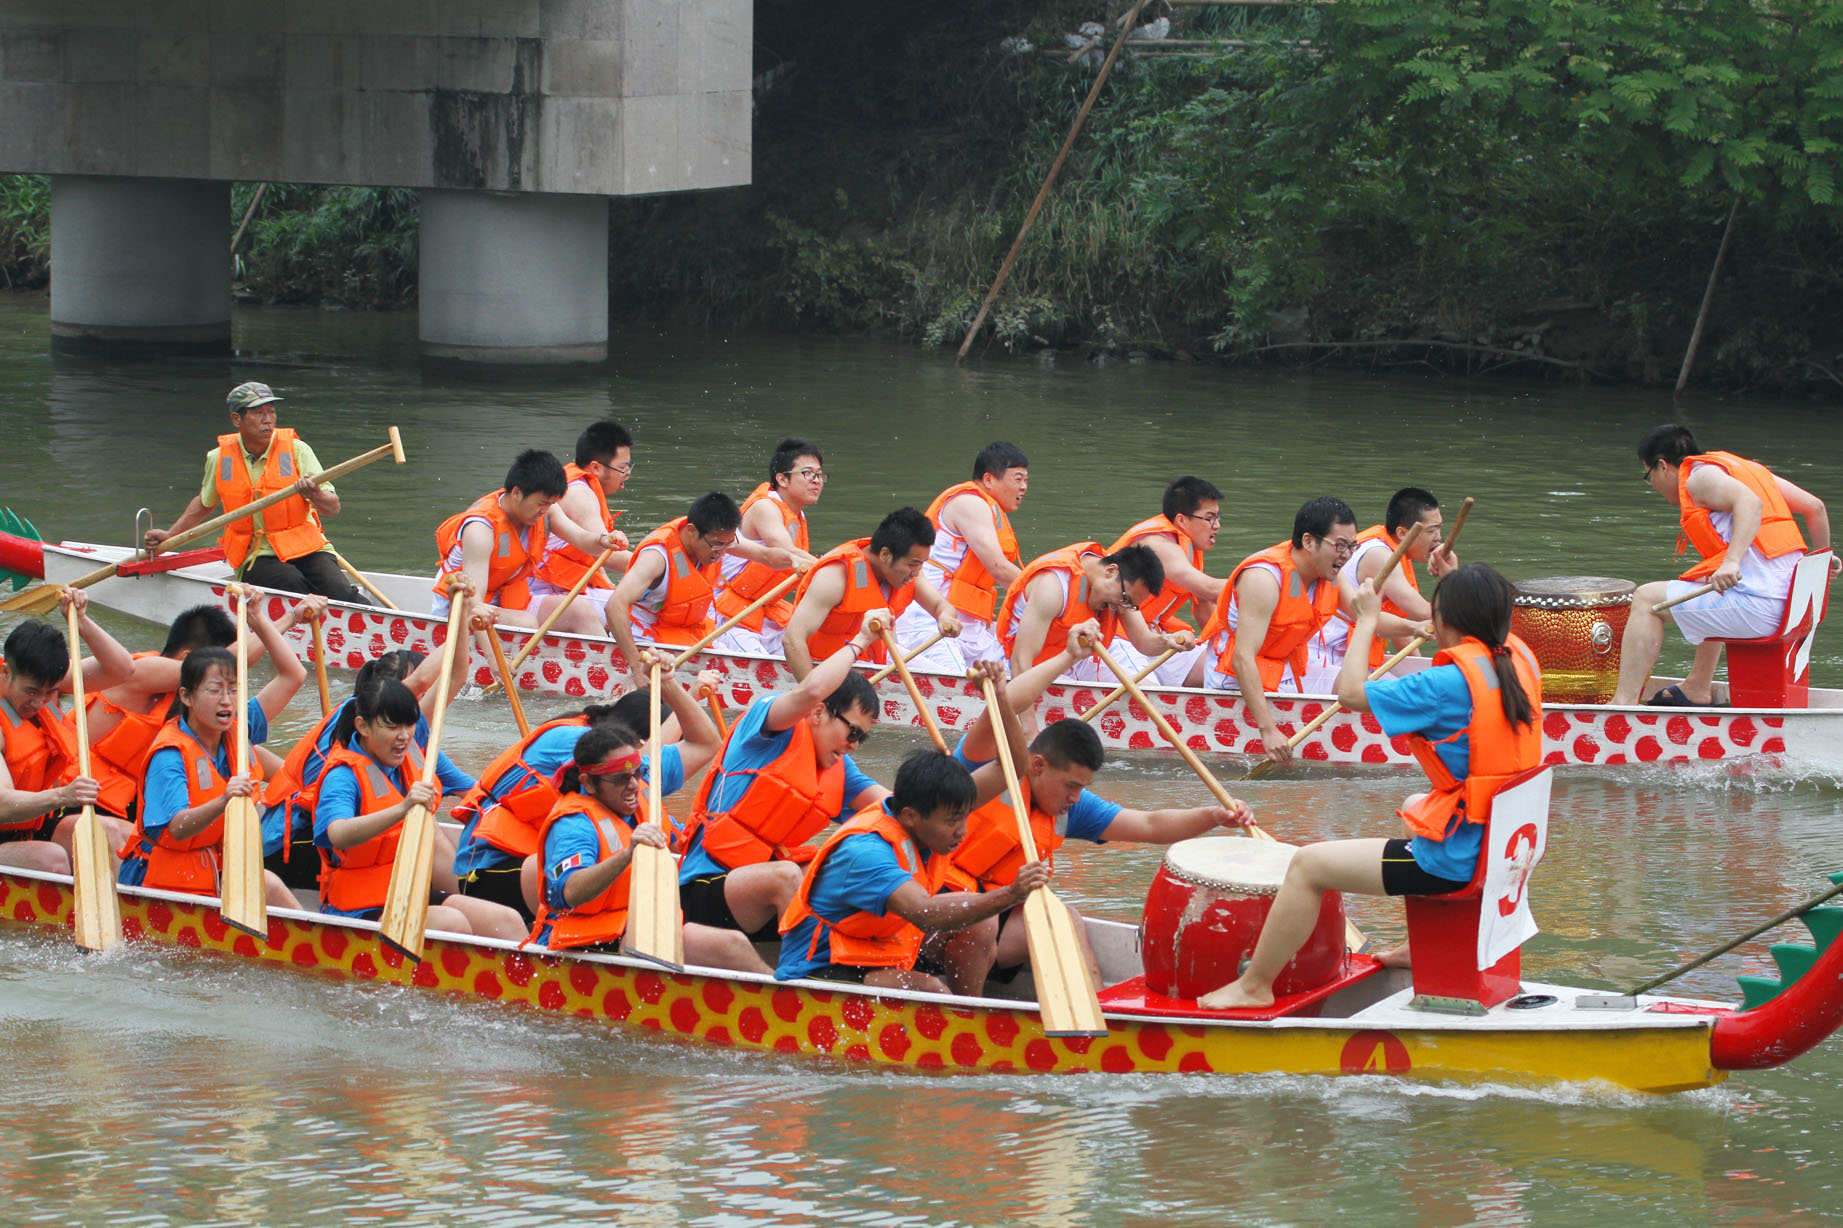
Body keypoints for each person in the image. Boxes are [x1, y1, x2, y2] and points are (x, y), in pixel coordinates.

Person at [1200, 564, 1542, 1010]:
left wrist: (1365, 619)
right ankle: (1419, 948)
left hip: (1460, 860)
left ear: (1443, 620)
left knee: (1308, 865)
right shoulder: (1521, 660)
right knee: (1414, 803)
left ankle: (1254, 987)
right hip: (1509, 844)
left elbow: (1351, 694)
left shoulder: (1446, 683)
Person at [941, 629, 1254, 990]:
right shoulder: (987, 767)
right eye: (1071, 785)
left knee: (1066, 919)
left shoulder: (1068, 806)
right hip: (934, 915)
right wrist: (1070, 656)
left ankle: (1098, 1010)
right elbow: (1004, 705)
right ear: (1038, 766)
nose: (1076, 797)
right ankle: (970, 1011)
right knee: (980, 925)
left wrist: (1214, 816)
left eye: (1082, 787)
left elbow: (1150, 826)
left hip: (997, 916)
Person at [449, 650, 720, 920]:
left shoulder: (628, 768)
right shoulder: (582, 746)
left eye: (637, 771)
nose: (635, 781)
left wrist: (673, 686)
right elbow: (641, 760)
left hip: (549, 856)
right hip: (490, 866)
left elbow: (706, 744)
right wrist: (690, 693)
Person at [675, 617, 893, 943]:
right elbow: (812, 689)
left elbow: (898, 808)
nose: (854, 745)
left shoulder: (839, 768)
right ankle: (803, 973)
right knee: (788, 875)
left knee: (850, 875)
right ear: (819, 713)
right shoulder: (769, 724)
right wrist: (861, 639)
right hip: (704, 888)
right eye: (853, 732)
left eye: (863, 739)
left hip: (760, 899)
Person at [778, 740, 1053, 994]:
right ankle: (959, 1024)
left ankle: (969, 1013)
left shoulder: (934, 811)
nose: (962, 831)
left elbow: (1016, 765)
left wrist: (1002, 695)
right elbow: (926, 915)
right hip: (818, 966)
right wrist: (1011, 894)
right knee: (931, 990)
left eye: (964, 817)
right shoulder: (867, 854)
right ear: (910, 817)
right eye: (953, 822)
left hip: (872, 948)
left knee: (980, 923)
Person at [1610, 425, 1836, 706]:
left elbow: (1749, 504)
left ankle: (1621, 705)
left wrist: (1731, 562)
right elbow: (1815, 507)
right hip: (1794, 604)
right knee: (1707, 582)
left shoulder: (1697, 478)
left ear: (1662, 466)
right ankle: (1697, 686)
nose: (1653, 484)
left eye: (1649, 476)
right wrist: (1823, 558)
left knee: (1645, 599)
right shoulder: (1746, 470)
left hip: (1763, 608)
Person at [1189, 497, 1423, 764]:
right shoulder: (1264, 579)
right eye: (1340, 546)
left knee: (1375, 687)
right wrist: (1268, 730)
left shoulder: (1331, 575)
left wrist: (1414, 626)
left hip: (1286, 670)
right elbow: (1243, 658)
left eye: (1352, 546)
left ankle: (1421, 738)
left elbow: (1366, 615)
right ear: (1310, 541)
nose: (1347, 555)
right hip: (1235, 679)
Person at [531, 723, 770, 973]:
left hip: (636, 923)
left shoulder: (641, 802)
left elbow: (682, 839)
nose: (634, 784)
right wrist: (628, 854)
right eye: (621, 779)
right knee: (730, 945)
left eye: (637, 773)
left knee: (732, 936)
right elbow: (570, 892)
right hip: (582, 942)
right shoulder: (573, 825)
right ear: (588, 783)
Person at [118, 597, 307, 907]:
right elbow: (176, 828)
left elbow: (293, 675)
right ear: (187, 697)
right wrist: (223, 800)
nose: (226, 700)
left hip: (211, 865)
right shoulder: (170, 754)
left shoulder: (236, 724)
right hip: (159, 876)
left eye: (233, 689)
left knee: (269, 883)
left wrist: (259, 618)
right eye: (214, 690)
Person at [306, 676, 524, 940]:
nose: (405, 736)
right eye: (392, 726)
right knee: (451, 923)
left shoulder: (412, 756)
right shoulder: (342, 776)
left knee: (505, 919)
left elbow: (455, 671)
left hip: (406, 893)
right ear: (362, 726)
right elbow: (337, 834)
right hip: (356, 910)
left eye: (409, 725)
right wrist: (403, 807)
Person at [86, 598, 324, 821]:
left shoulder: (215, 715)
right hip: (93, 803)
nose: (225, 695)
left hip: (149, 807)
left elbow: (257, 752)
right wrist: (288, 617)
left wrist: (317, 786)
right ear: (189, 660)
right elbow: (232, 661)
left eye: (231, 686)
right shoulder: (137, 672)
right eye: (215, 684)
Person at [263, 645, 475, 891]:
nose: (422, 700)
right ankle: (461, 894)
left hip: (368, 862)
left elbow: (455, 676)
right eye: (419, 695)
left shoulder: (413, 740)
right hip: (295, 843)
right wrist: (403, 808)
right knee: (422, 825)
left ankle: (466, 894)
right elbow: (422, 679)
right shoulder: (347, 754)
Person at [144, 382, 362, 601]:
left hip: (306, 546)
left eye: (271, 412)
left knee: (340, 592)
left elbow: (332, 508)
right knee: (291, 583)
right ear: (237, 419)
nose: (268, 420)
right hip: (257, 554)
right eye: (259, 414)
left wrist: (315, 494)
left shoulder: (297, 450)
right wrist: (170, 536)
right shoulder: (219, 458)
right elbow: (204, 503)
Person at [0, 589, 136, 872]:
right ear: (5, 673)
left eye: (49, 692)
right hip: (6, 829)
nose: (39, 702)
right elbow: (2, 804)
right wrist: (63, 796)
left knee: (116, 834)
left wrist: (82, 622)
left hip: (31, 825)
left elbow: (122, 670)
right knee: (51, 860)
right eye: (31, 692)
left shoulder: (42, 680)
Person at [431, 449, 623, 633]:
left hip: (505, 599)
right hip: (461, 608)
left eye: (550, 504)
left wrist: (605, 540)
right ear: (516, 493)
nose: (545, 510)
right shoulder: (481, 529)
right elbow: (474, 608)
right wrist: (495, 663)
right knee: (526, 622)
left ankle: (603, 667)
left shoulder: (547, 512)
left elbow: (582, 539)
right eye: (541, 503)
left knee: (580, 609)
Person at [896, 441, 1029, 673]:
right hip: (931, 621)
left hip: (970, 629)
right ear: (988, 479)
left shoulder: (991, 510)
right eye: (1018, 479)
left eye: (1026, 480)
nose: (1024, 487)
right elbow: (999, 568)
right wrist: (1048, 593)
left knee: (1015, 667)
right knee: (961, 681)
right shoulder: (970, 502)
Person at [1305, 487, 1457, 690]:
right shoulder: (1380, 556)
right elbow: (1427, 614)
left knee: (1414, 688)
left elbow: (1399, 627)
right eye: (1431, 530)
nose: (1438, 538)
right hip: (1326, 654)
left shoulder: (1394, 552)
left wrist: (1419, 670)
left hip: (1347, 652)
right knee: (1404, 697)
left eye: (1439, 529)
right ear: (1403, 533)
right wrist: (1449, 576)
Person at [783, 508, 960, 678]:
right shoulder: (837, 576)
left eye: (922, 563)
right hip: (825, 666)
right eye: (913, 563)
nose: (917, 571)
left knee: (951, 680)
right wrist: (810, 696)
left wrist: (946, 618)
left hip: (874, 661)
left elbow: (940, 606)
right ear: (885, 554)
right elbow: (792, 639)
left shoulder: (911, 572)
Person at [605, 492, 742, 686]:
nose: (722, 553)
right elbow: (614, 605)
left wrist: (792, 559)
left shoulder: (714, 540)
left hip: (686, 632)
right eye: (718, 544)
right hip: (648, 639)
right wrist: (636, 667)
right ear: (692, 530)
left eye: (729, 544)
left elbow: (763, 554)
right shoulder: (656, 558)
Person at [1104, 477, 1229, 686]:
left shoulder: (1190, 550)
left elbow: (1205, 611)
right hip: (1114, 636)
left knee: (1230, 670)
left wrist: (1240, 648)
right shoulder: (1158, 544)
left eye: (1218, 517)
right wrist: (1268, 585)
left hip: (1150, 635)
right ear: (1181, 520)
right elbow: (1210, 588)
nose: (1217, 526)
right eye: (1210, 518)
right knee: (1151, 697)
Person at [997, 541, 1182, 681]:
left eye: (1129, 604)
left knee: (1147, 694)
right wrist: (1029, 731)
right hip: (1027, 666)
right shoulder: (1053, 586)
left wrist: (1169, 641)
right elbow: (1021, 662)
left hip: (1078, 660)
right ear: (1110, 572)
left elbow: (1145, 643)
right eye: (1124, 599)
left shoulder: (1122, 590)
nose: (1120, 608)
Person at [710, 437, 823, 657]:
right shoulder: (765, 506)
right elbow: (785, 551)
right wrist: (834, 571)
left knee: (816, 643)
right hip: (724, 611)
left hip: (760, 609)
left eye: (819, 475)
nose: (816, 481)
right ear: (782, 478)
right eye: (808, 474)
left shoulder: (797, 514)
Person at [529, 421, 637, 617]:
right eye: (623, 468)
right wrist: (660, 569)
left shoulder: (575, 484)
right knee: (644, 612)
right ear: (595, 467)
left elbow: (593, 558)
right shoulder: (580, 493)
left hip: (559, 586)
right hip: (544, 591)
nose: (627, 474)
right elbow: (607, 555)